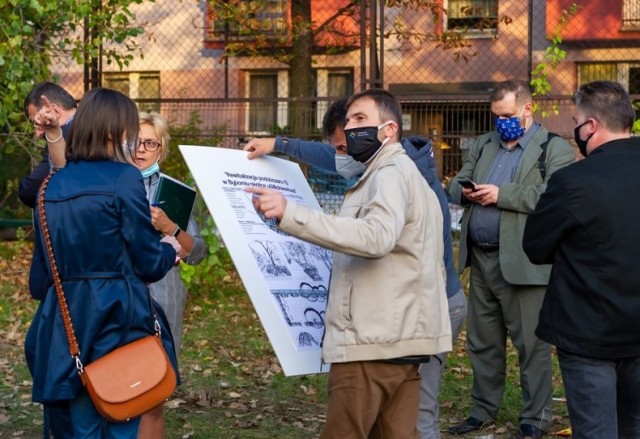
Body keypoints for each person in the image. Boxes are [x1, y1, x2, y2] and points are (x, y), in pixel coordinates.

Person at [244, 98, 467, 439]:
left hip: (371, 343)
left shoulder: (389, 176)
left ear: (389, 130)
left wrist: (291, 214)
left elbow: (376, 237)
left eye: (360, 118)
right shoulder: (408, 175)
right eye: (348, 121)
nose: (350, 128)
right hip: (402, 344)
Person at [24, 87, 181, 438]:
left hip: (63, 321)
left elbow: (47, 264)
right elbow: (148, 262)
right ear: (114, 131)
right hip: (115, 318)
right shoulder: (123, 178)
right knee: (120, 411)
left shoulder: (50, 185)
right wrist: (170, 248)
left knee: (74, 424)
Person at [447, 79, 575, 438]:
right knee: (482, 343)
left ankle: (534, 420)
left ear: (527, 109)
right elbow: (456, 183)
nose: (500, 121)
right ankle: (482, 410)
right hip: (482, 260)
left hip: (524, 264)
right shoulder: (486, 144)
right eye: (495, 115)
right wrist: (467, 192)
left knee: (531, 347)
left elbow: (555, 195)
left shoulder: (554, 148)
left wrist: (502, 194)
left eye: (506, 115)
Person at [523, 81, 640, 438]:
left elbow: (536, 246)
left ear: (590, 126)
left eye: (576, 121)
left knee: (596, 430)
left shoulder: (573, 180)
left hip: (588, 330)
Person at [131, 112, 207, 439]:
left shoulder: (174, 192)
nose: (141, 149)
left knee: (152, 396)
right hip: (121, 300)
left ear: (161, 150)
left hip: (163, 300)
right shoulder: (111, 185)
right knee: (119, 386)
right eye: (135, 141)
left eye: (150, 142)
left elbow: (197, 253)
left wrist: (170, 227)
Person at [19, 82, 77, 208]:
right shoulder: (93, 123)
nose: (38, 133)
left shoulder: (66, 136)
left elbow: (30, 191)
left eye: (38, 122)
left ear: (55, 110)